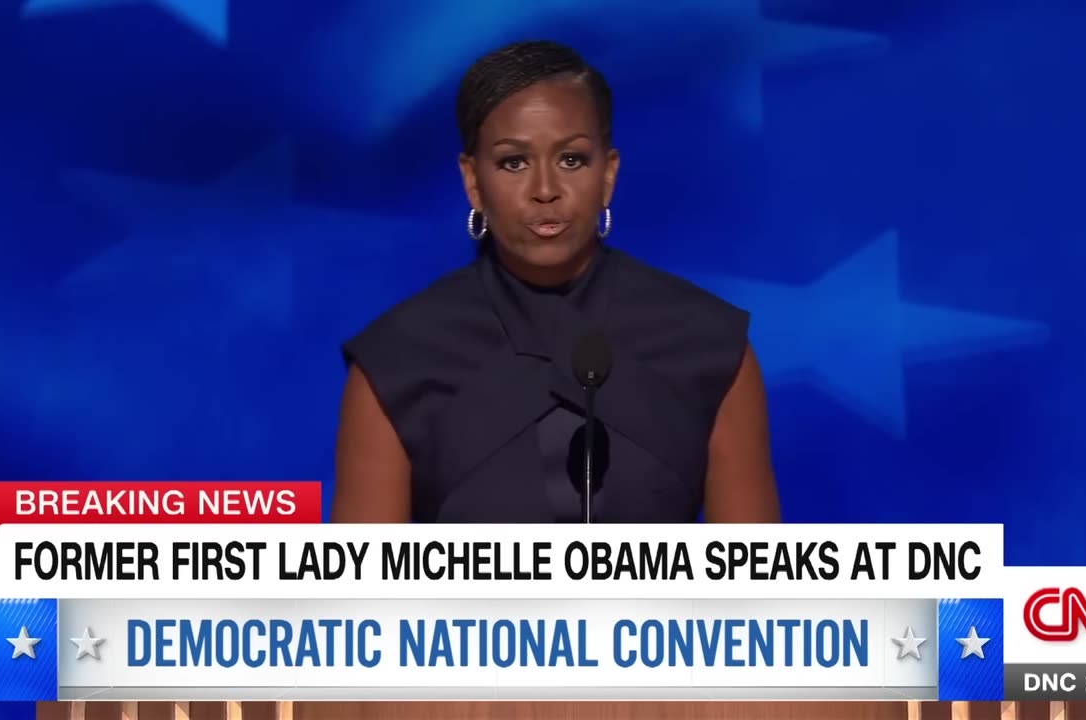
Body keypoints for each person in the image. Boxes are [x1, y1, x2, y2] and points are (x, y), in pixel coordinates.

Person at [332, 40, 779, 523]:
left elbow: (754, 589)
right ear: (473, 181)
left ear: (607, 174)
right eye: (513, 162)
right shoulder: (397, 362)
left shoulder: (709, 347)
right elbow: (362, 594)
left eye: (571, 160)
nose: (545, 190)